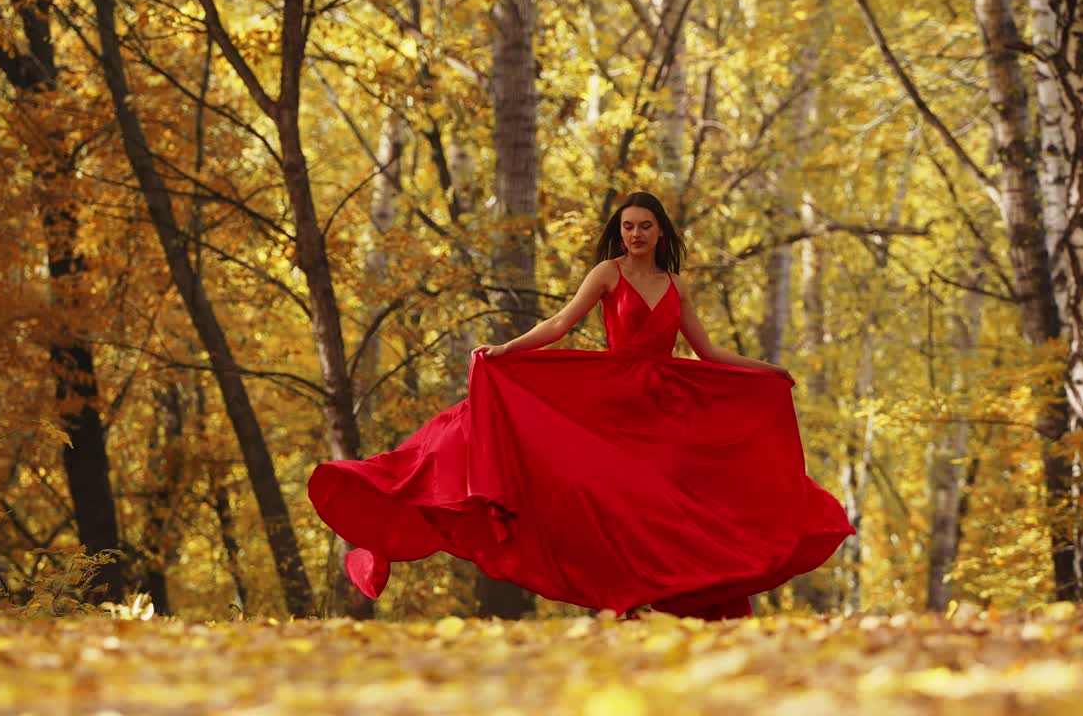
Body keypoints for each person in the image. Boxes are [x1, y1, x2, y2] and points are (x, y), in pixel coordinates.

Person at [309, 191, 855, 619]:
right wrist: (505, 349)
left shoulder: (676, 284)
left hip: (664, 407)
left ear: (660, 230)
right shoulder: (608, 273)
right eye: (627, 227)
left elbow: (707, 351)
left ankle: (666, 599)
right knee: (529, 461)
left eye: (644, 225)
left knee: (675, 505)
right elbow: (559, 324)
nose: (635, 234)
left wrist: (766, 373)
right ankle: (386, 521)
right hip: (611, 400)